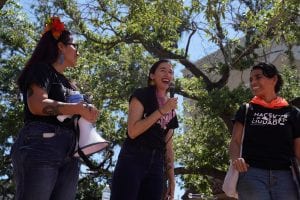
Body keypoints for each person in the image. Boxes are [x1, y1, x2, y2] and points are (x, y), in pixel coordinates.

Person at [11, 16, 100, 200]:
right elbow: (37, 105)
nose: (78, 52)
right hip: (42, 143)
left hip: (71, 151)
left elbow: (75, 112)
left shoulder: (70, 83)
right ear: (60, 46)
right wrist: (77, 108)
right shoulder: (41, 69)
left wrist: (87, 112)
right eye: (75, 46)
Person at [229, 62, 300, 200]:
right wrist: (235, 159)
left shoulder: (293, 113)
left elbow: (298, 150)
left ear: (274, 79)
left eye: (258, 77)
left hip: (286, 177)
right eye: (251, 79)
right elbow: (235, 141)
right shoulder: (246, 109)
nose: (253, 82)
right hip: (252, 174)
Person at [111, 59, 179, 200]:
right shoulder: (141, 94)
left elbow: (169, 146)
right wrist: (162, 110)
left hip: (157, 165)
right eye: (162, 70)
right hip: (133, 158)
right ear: (152, 75)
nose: (167, 73)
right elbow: (133, 131)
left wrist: (172, 179)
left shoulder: (171, 108)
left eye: (170, 72)